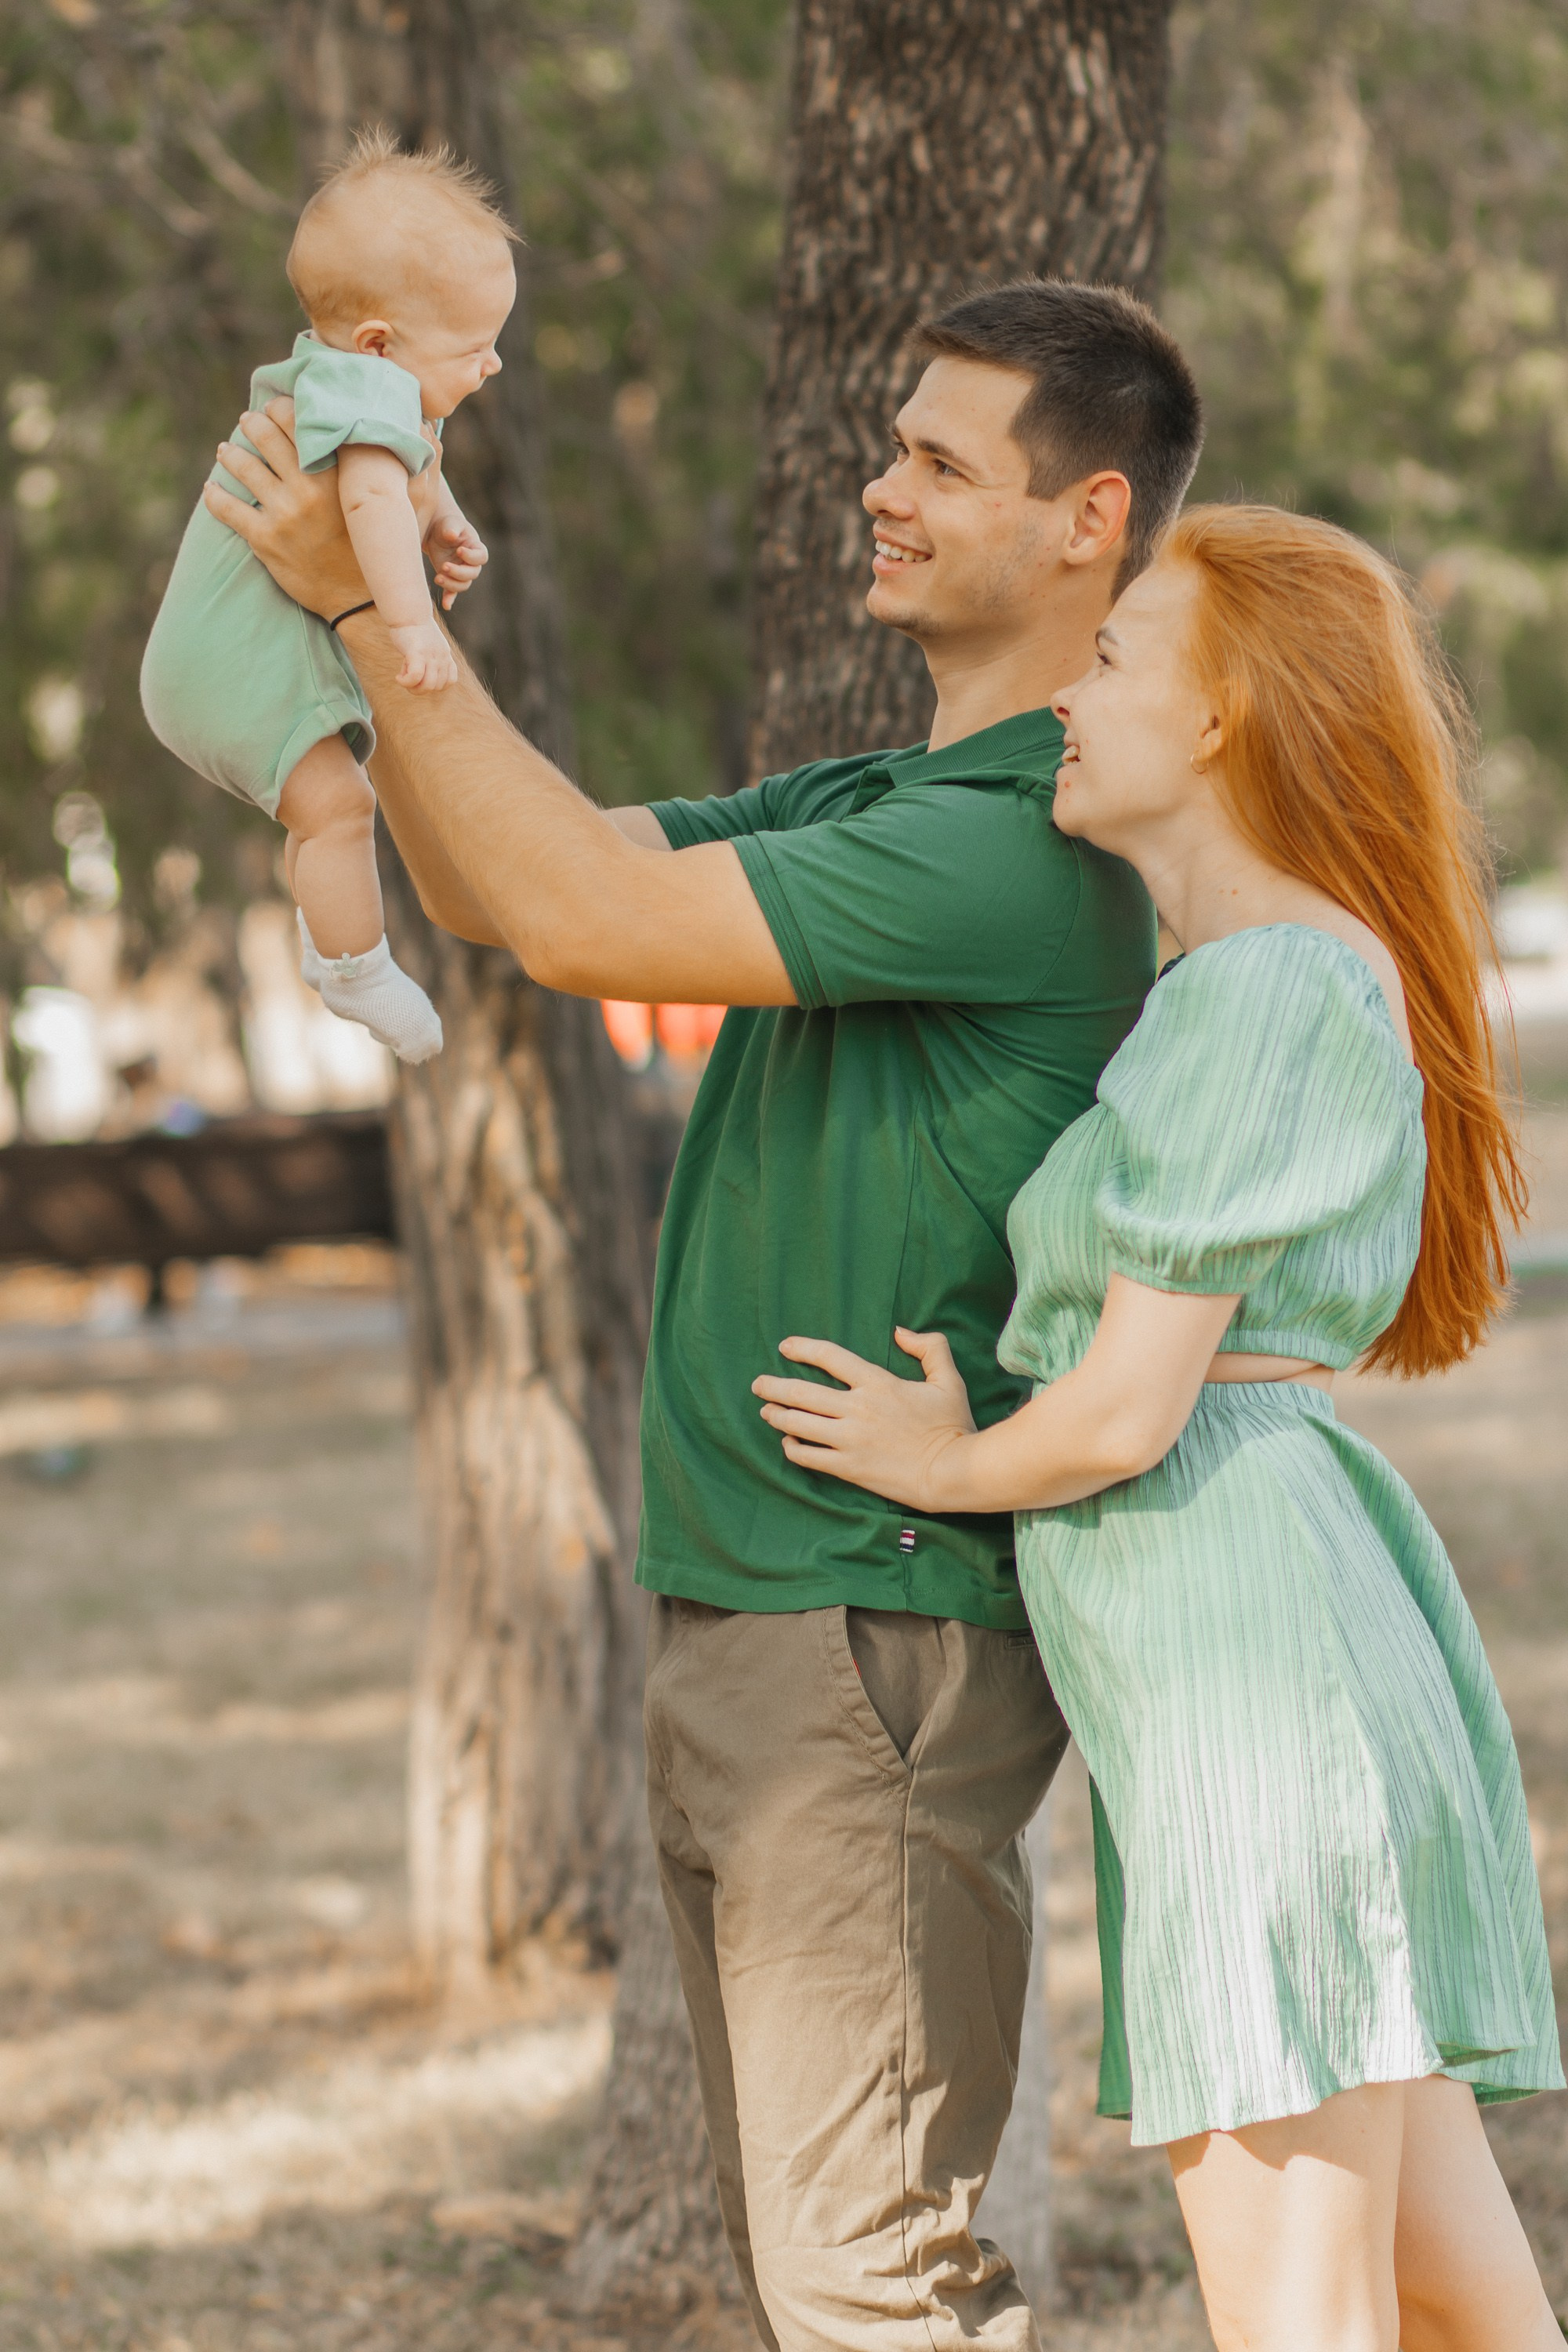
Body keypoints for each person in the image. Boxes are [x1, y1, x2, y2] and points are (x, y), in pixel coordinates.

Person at [202, 276, 1204, 2352]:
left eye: (939, 462)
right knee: (821, 2272)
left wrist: (374, 611)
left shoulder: (1022, 842)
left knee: (873, 2288)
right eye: (893, 445)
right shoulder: (879, 804)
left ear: (1088, 520)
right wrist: (371, 601)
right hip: (768, 1610)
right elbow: (504, 883)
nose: (880, 487)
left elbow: (577, 917)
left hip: (868, 1629)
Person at [751, 503, 1566, 2352]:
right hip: (1274, 1652)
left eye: (1109, 656)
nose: (1065, 694)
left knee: (1301, 2315)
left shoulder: (1263, 984)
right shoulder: (1258, 977)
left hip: (1248, 1691)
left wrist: (939, 1463)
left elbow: (1123, 1409)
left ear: (1218, 715)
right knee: (1453, 2300)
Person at [142, 131, 518, 1062]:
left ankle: (326, 937)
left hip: (212, 659)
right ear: (380, 343)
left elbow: (406, 475)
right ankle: (355, 968)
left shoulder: (356, 382)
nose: (493, 365)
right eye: (476, 347)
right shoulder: (363, 389)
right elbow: (370, 499)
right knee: (342, 807)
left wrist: (445, 520)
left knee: (323, 813)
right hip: (224, 664)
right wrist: (409, 624)